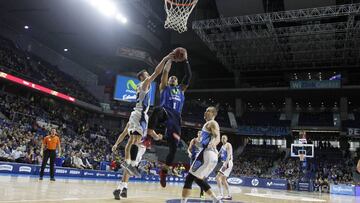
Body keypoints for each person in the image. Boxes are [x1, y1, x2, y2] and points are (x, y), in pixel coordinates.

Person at [121, 52, 174, 176]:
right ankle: (132, 164)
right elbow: (157, 72)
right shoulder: (144, 84)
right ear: (142, 77)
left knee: (134, 139)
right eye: (146, 75)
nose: (148, 76)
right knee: (136, 140)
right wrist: (166, 58)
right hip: (140, 114)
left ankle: (128, 162)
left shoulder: (139, 86)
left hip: (136, 113)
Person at [147, 49, 192, 187]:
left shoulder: (181, 89)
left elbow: (188, 76)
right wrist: (170, 59)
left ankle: (164, 172)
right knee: (157, 109)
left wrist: (185, 61)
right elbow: (165, 72)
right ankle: (150, 133)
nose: (172, 78)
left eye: (174, 78)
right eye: (171, 78)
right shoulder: (164, 87)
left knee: (173, 149)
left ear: (177, 82)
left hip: (176, 119)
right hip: (165, 112)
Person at [181, 107, 222, 203]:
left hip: (207, 153)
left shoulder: (212, 123)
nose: (205, 112)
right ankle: (215, 200)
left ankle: (183, 201)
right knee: (198, 179)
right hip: (212, 157)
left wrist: (213, 143)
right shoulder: (207, 125)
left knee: (189, 178)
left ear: (213, 113)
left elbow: (217, 137)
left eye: (208, 111)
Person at [112, 122, 162, 200]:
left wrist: (116, 144)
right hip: (139, 147)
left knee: (129, 168)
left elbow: (123, 134)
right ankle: (120, 189)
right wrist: (159, 137)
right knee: (130, 168)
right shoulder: (144, 122)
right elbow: (152, 133)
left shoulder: (130, 122)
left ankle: (123, 188)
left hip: (132, 146)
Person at [187, 131, 204, 198]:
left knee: (200, 176)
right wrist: (189, 153)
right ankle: (189, 191)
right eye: (199, 133)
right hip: (193, 158)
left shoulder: (204, 142)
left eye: (201, 134)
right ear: (197, 134)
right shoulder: (193, 140)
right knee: (191, 175)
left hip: (200, 160)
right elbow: (188, 149)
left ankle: (202, 192)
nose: (200, 134)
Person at [216, 135, 233, 200]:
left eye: (224, 138)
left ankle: (221, 194)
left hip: (227, 163)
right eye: (222, 138)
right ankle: (229, 195)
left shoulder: (228, 144)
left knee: (217, 177)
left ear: (227, 139)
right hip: (226, 163)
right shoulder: (222, 146)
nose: (223, 139)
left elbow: (228, 155)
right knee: (223, 179)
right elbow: (218, 154)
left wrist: (225, 164)